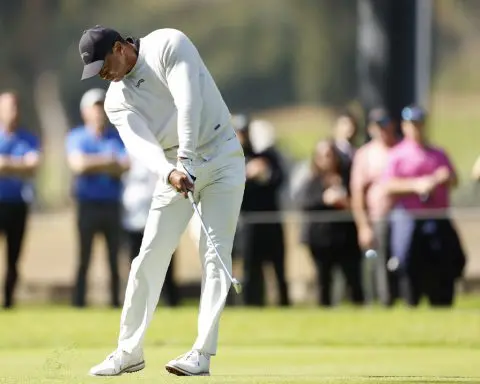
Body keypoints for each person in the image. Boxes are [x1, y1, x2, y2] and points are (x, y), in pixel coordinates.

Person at [78, 26, 245, 376]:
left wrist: (186, 159)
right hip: (174, 168)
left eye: (104, 65)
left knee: (215, 254)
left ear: (121, 48)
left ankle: (201, 353)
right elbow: (141, 146)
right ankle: (128, 351)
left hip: (222, 153)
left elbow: (189, 101)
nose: (104, 75)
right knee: (149, 254)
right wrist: (171, 171)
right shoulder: (115, 100)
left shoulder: (168, 43)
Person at [383, 105, 465, 307]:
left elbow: (454, 179)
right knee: (408, 261)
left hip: (437, 217)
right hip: (410, 217)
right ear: (405, 126)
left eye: (420, 124)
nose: (417, 128)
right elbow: (388, 185)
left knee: (444, 260)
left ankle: (442, 300)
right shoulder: (398, 154)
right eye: (412, 124)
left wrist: (442, 178)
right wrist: (416, 185)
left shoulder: (437, 153)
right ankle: (411, 300)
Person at [66, 88, 129, 308]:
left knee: (114, 259)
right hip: (87, 205)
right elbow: (78, 165)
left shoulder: (117, 137)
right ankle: (79, 303)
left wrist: (94, 163)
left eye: (102, 107)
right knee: (84, 258)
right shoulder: (76, 137)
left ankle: (115, 303)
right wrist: (108, 161)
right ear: (85, 112)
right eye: (95, 108)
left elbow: (125, 166)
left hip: (112, 205)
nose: (99, 112)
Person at [296, 140, 364, 307]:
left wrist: (344, 202)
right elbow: (304, 203)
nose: (328, 159)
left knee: (353, 279)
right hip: (320, 240)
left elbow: (358, 202)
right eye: (324, 156)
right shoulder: (311, 181)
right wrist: (324, 199)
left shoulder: (348, 178)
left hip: (346, 238)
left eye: (331, 155)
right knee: (324, 281)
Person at [233, 116, 290, 306]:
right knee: (251, 269)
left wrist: (264, 173)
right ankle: (252, 304)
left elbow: (279, 179)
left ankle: (284, 304)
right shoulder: (234, 158)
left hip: (272, 220)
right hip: (249, 223)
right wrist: (248, 176)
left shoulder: (268, 156)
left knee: (279, 269)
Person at [350, 108, 399, 306]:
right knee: (378, 265)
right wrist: (363, 226)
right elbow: (357, 194)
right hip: (378, 218)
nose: (383, 130)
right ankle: (382, 302)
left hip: (404, 215)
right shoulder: (365, 154)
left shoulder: (401, 149)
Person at [0, 91, 41, 309]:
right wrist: (19, 165)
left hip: (17, 204)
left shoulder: (28, 138)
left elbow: (33, 166)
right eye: (8, 108)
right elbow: (25, 165)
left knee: (13, 258)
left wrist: (5, 164)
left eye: (15, 107)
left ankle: (8, 301)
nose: (12, 113)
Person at [121, 156, 180, 307]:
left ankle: (170, 300)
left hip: (158, 213)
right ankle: (137, 300)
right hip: (133, 216)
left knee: (165, 258)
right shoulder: (125, 150)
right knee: (136, 261)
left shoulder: (159, 153)